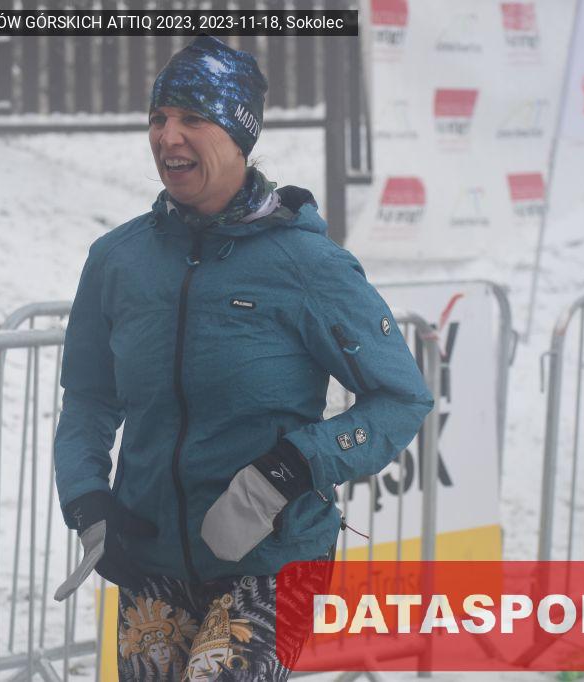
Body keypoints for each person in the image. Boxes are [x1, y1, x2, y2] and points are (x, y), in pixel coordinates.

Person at [52, 35, 433, 681]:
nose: (168, 136)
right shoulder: (118, 259)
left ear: (239, 134)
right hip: (151, 551)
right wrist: (87, 497)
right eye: (158, 117)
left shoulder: (308, 263)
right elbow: (89, 396)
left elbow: (401, 398)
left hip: (276, 559)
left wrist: (289, 468)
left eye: (192, 118)